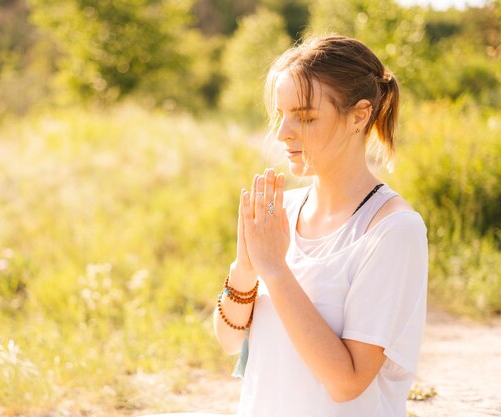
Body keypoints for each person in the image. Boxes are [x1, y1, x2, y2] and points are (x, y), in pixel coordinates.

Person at [140, 34, 428, 417]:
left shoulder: (394, 231)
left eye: (306, 117)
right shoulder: (283, 211)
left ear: (359, 116)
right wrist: (246, 267)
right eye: (281, 115)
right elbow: (228, 340)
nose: (283, 133)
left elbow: (347, 383)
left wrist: (274, 269)